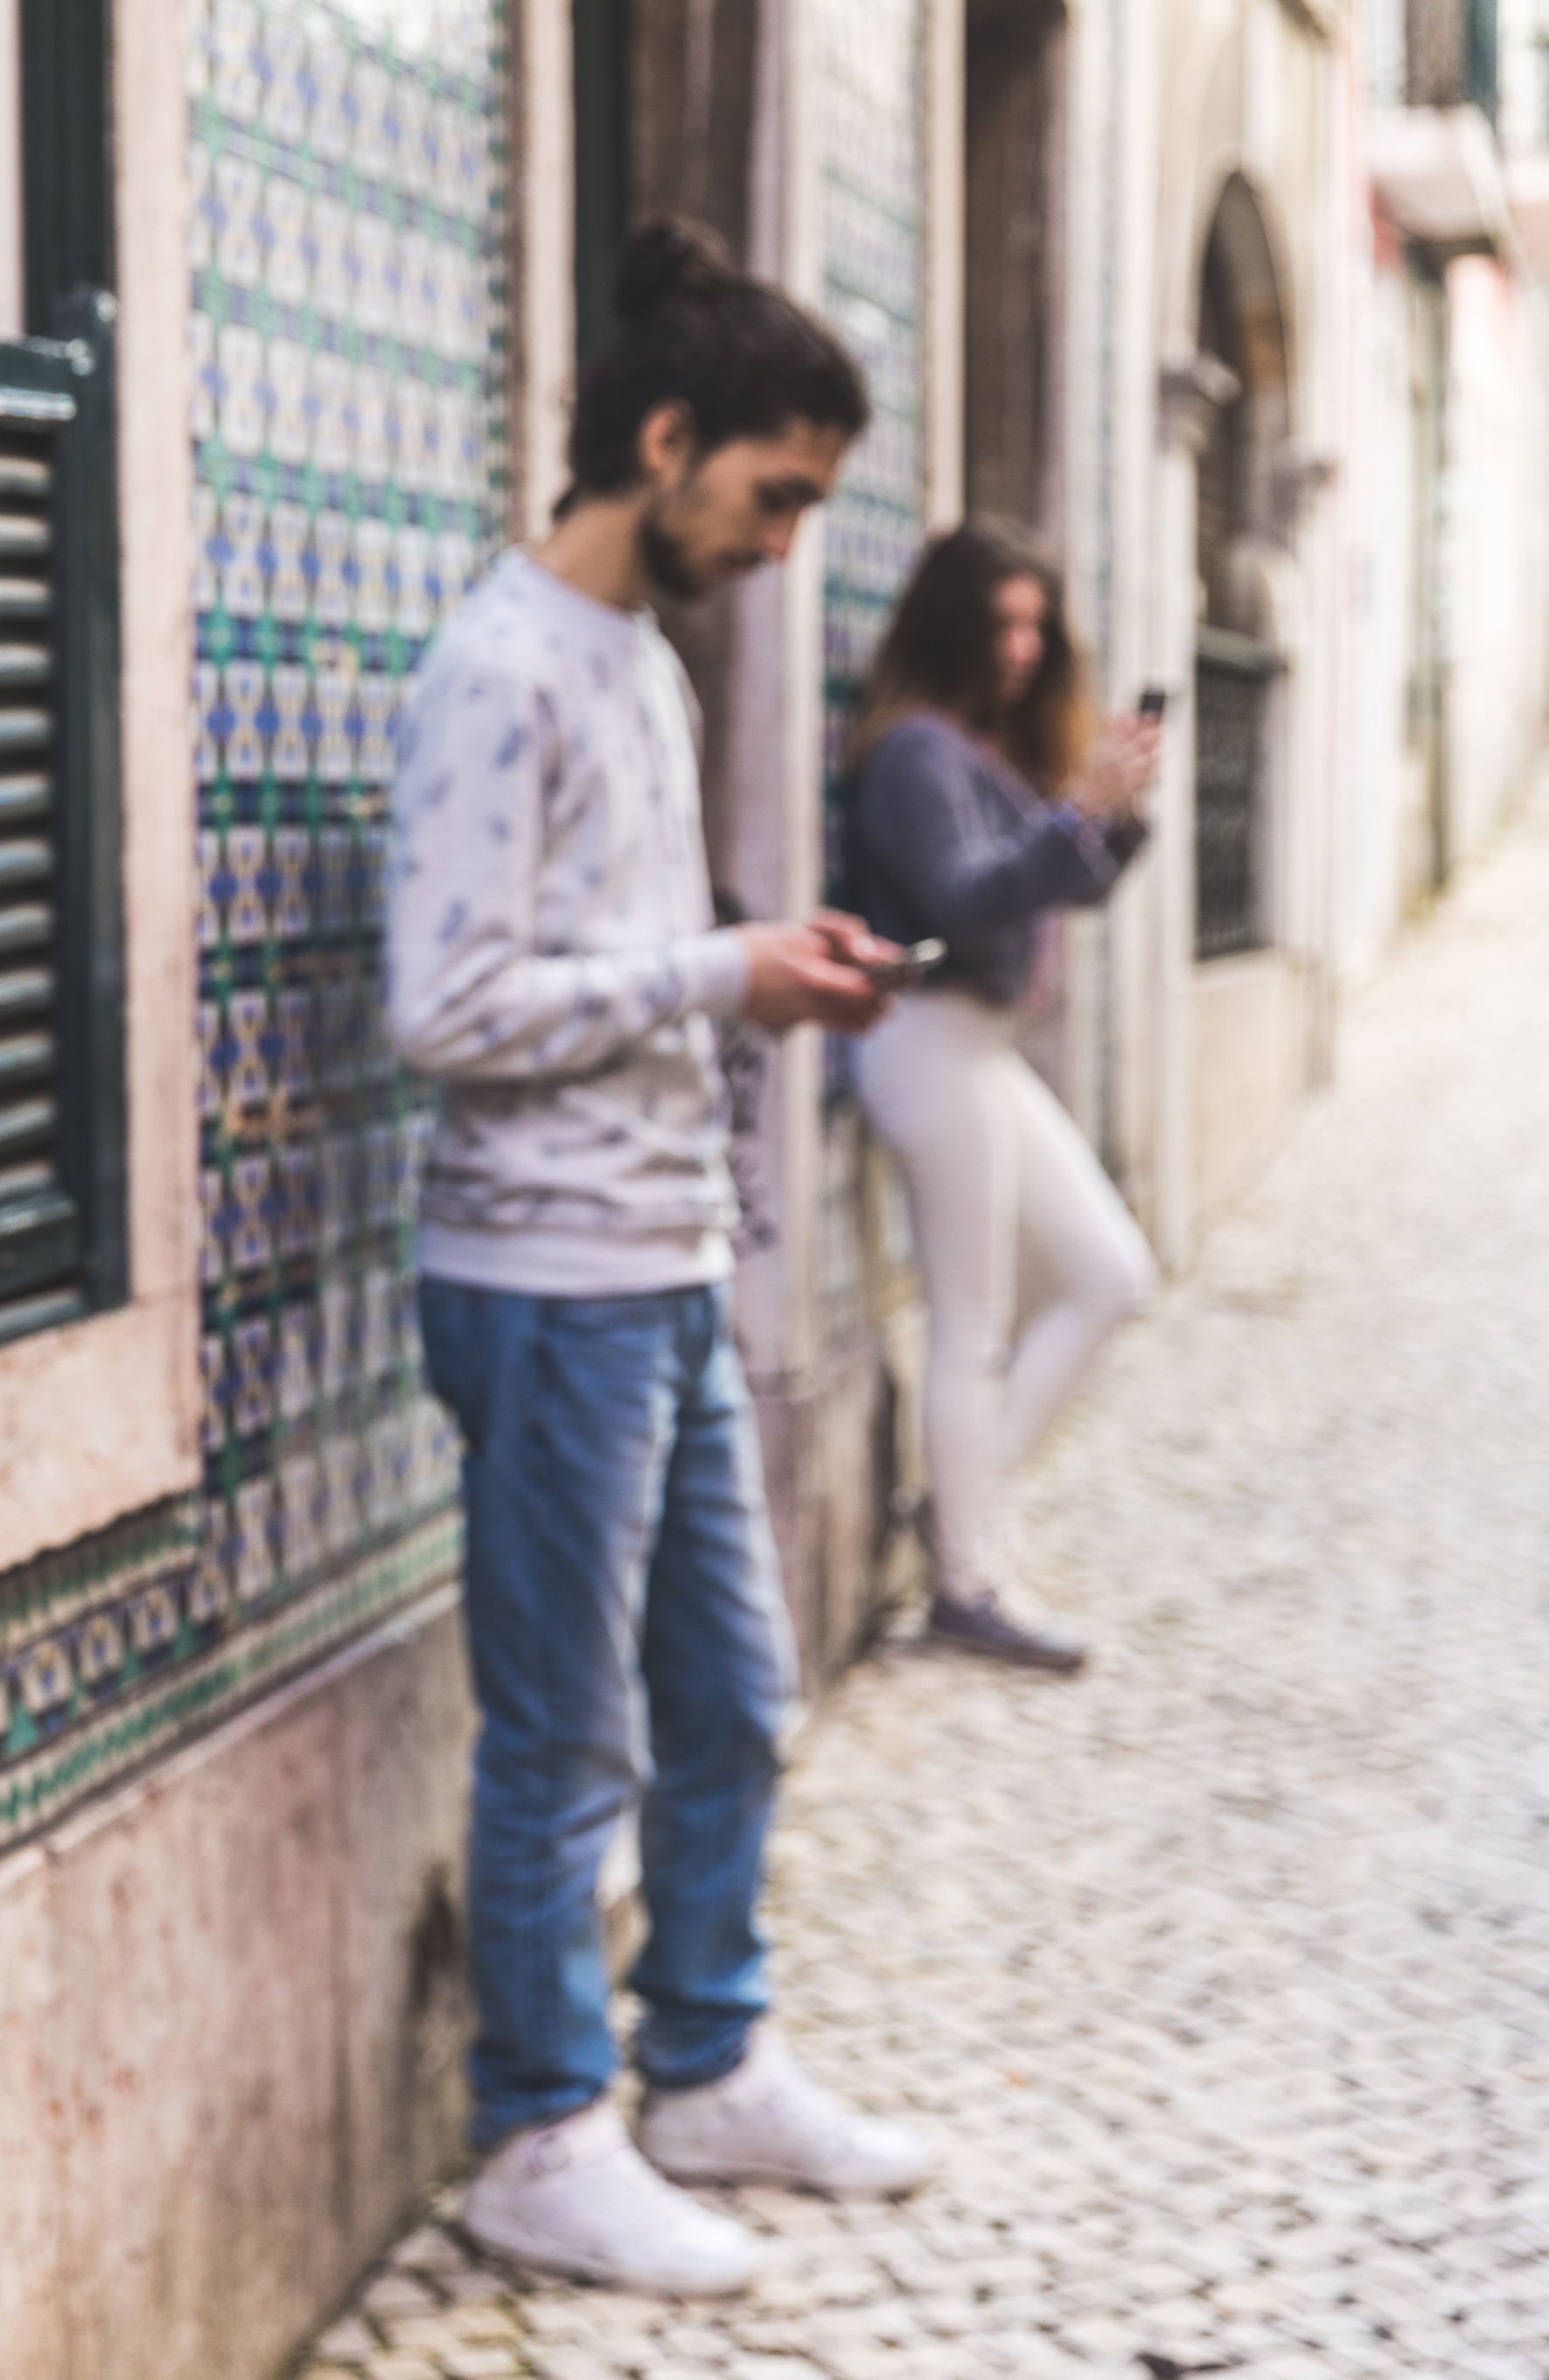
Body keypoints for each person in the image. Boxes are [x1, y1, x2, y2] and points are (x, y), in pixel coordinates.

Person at [386, 218, 941, 2300]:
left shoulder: (634, 657)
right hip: (541, 1285)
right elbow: (441, 1005)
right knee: (565, 1731)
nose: (786, 541)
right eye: (772, 493)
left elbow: (613, 969)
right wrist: (727, 968)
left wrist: (752, 977)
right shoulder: (497, 666)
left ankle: (702, 2059)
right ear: (661, 435)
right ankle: (537, 2134)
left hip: (658, 1261)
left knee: (734, 1693)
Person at [841, 524, 1161, 1673]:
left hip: (980, 1050)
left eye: (1037, 625)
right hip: (924, 1041)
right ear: (951, 628)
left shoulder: (972, 748)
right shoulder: (914, 754)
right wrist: (1075, 815)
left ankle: (955, 1518)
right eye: (1002, 625)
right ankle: (969, 1583)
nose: (1023, 649)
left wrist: (1108, 814)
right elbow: (964, 899)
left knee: (1110, 1273)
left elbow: (1061, 884)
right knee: (967, 1326)